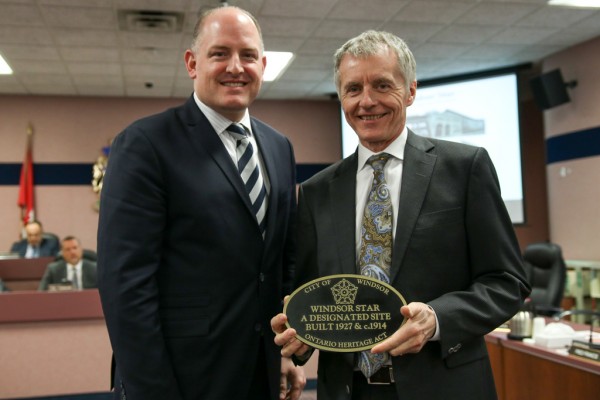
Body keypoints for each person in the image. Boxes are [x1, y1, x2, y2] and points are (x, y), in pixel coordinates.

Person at [271, 30, 531, 400]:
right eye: (353, 89)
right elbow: (312, 291)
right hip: (348, 390)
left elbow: (507, 281)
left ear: (410, 91)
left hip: (444, 386)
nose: (367, 101)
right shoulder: (317, 191)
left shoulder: (464, 168)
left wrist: (437, 319)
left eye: (381, 85)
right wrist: (300, 334)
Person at [97, 6, 303, 400]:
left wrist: (286, 353)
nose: (235, 67)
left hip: (260, 374)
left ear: (262, 64)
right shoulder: (146, 144)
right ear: (192, 63)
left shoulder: (279, 147)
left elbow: (281, 264)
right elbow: (125, 284)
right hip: (179, 377)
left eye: (247, 55)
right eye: (219, 53)